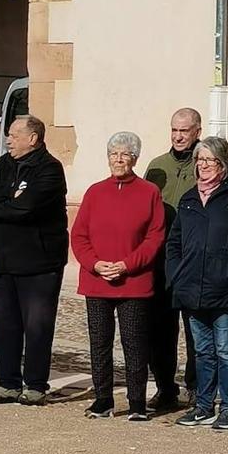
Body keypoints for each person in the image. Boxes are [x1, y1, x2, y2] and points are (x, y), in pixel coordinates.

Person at [167, 137, 228, 431]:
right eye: (200, 160)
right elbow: (174, 242)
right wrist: (176, 274)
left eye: (210, 160)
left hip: (226, 291)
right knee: (202, 352)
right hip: (192, 290)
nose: (204, 166)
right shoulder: (188, 198)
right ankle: (204, 406)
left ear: (224, 163)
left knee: (226, 350)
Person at [70, 132, 166, 421]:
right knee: (99, 342)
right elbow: (79, 235)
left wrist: (126, 265)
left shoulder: (149, 192)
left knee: (134, 343)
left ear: (135, 158)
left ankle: (137, 401)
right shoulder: (94, 192)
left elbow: (154, 237)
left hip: (133, 282)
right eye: (114, 154)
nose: (119, 159)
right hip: (97, 280)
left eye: (125, 154)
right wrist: (95, 264)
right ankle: (103, 398)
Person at [0, 115, 69, 406]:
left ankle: (36, 385)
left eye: (14, 135)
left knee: (37, 325)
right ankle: (8, 383)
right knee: (2, 325)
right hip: (4, 259)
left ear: (33, 138)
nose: (8, 140)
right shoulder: (5, 164)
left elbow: (26, 208)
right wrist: (9, 194)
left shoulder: (50, 169)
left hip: (39, 262)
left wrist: (4, 203)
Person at [144, 107, 202, 412]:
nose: (179, 137)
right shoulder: (157, 166)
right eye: (175, 130)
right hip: (161, 261)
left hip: (193, 261)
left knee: (196, 330)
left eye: (185, 131)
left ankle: (197, 388)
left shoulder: (206, 163)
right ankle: (166, 387)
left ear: (197, 131)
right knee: (159, 329)